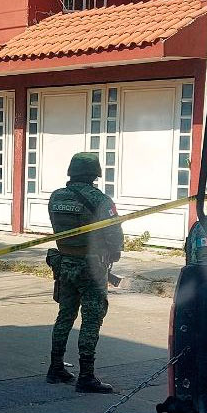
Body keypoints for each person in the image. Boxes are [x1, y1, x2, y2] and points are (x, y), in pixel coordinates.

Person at [46, 153, 124, 393]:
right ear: (94, 174)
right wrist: (114, 252)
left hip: (64, 263)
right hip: (91, 267)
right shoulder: (99, 199)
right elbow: (114, 233)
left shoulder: (56, 197)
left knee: (65, 316)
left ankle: (55, 367)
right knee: (91, 319)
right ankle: (86, 376)